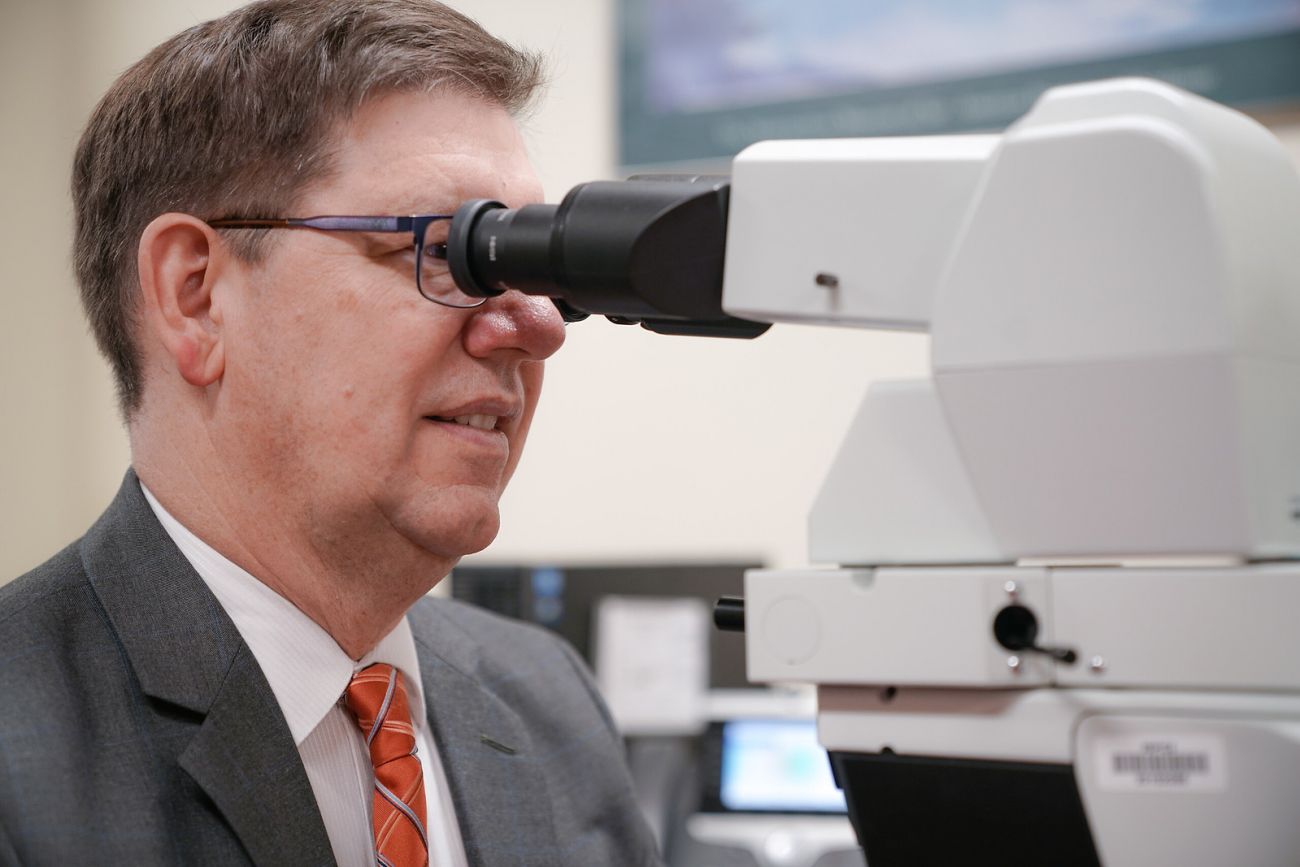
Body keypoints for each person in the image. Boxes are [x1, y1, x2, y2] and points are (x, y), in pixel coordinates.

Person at [0, 1, 663, 865]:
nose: (537, 325)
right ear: (197, 295)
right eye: (452, 252)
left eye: (537, 267)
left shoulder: (549, 701)